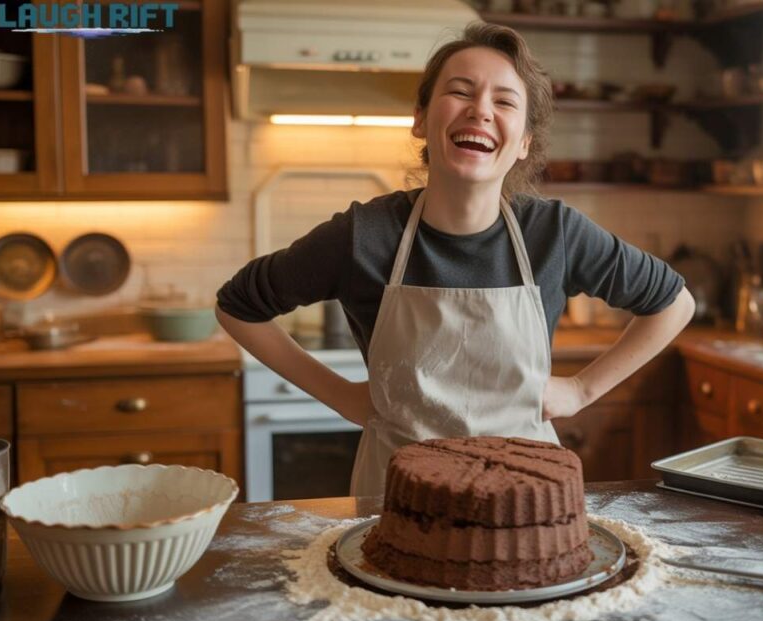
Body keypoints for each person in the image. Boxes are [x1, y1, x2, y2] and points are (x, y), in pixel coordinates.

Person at [216, 22, 695, 496]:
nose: (480, 111)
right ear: (421, 119)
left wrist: (582, 391)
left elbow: (674, 304)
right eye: (461, 91)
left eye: (504, 101)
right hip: (397, 502)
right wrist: (342, 397)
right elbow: (237, 305)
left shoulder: (554, 234)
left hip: (523, 501)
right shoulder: (365, 235)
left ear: (525, 141)